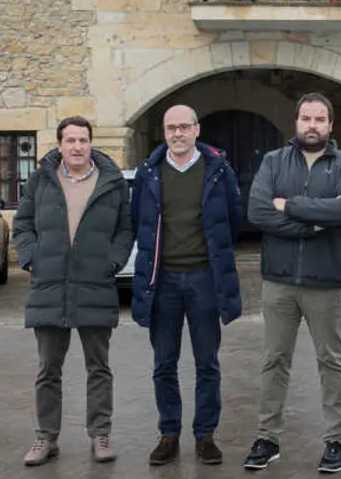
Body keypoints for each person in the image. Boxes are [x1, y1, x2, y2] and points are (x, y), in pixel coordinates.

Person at [243, 92, 341, 473]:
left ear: (330, 125)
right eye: (306, 118)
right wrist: (312, 224)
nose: (313, 125)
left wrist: (289, 205)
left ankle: (336, 441)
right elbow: (258, 211)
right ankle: (267, 437)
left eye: (320, 119)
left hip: (324, 281)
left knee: (331, 361)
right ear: (296, 122)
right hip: (278, 281)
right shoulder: (274, 161)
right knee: (274, 360)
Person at [14, 116, 134, 466]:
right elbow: (22, 224)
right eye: (71, 141)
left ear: (91, 143)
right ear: (60, 144)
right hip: (49, 284)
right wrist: (31, 257)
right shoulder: (40, 181)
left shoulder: (112, 183)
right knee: (48, 368)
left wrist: (112, 261)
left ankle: (100, 434)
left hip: (95, 283)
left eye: (83, 140)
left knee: (99, 367)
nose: (77, 147)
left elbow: (125, 230)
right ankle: (45, 437)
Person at [130, 105, 244, 466]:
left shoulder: (218, 171)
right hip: (162, 281)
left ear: (197, 129)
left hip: (204, 279)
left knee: (207, 363)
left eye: (184, 127)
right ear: (164, 133)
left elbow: (234, 220)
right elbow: (139, 223)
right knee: (164, 362)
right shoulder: (149, 173)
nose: (177, 134)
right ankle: (169, 433)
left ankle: (205, 434)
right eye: (170, 128)